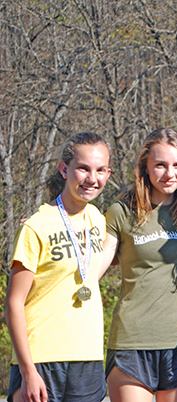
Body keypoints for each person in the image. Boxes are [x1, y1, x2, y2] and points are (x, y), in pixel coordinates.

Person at [6, 132, 112, 402]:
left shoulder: (98, 221)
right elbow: (14, 303)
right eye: (83, 169)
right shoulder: (36, 226)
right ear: (65, 170)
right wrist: (28, 371)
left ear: (108, 173)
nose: (92, 178)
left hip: (87, 357)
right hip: (42, 357)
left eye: (100, 170)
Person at [100, 128, 177, 402]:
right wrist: (48, 224)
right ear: (145, 166)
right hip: (132, 343)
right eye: (160, 165)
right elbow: (96, 263)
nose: (169, 174)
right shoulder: (122, 211)